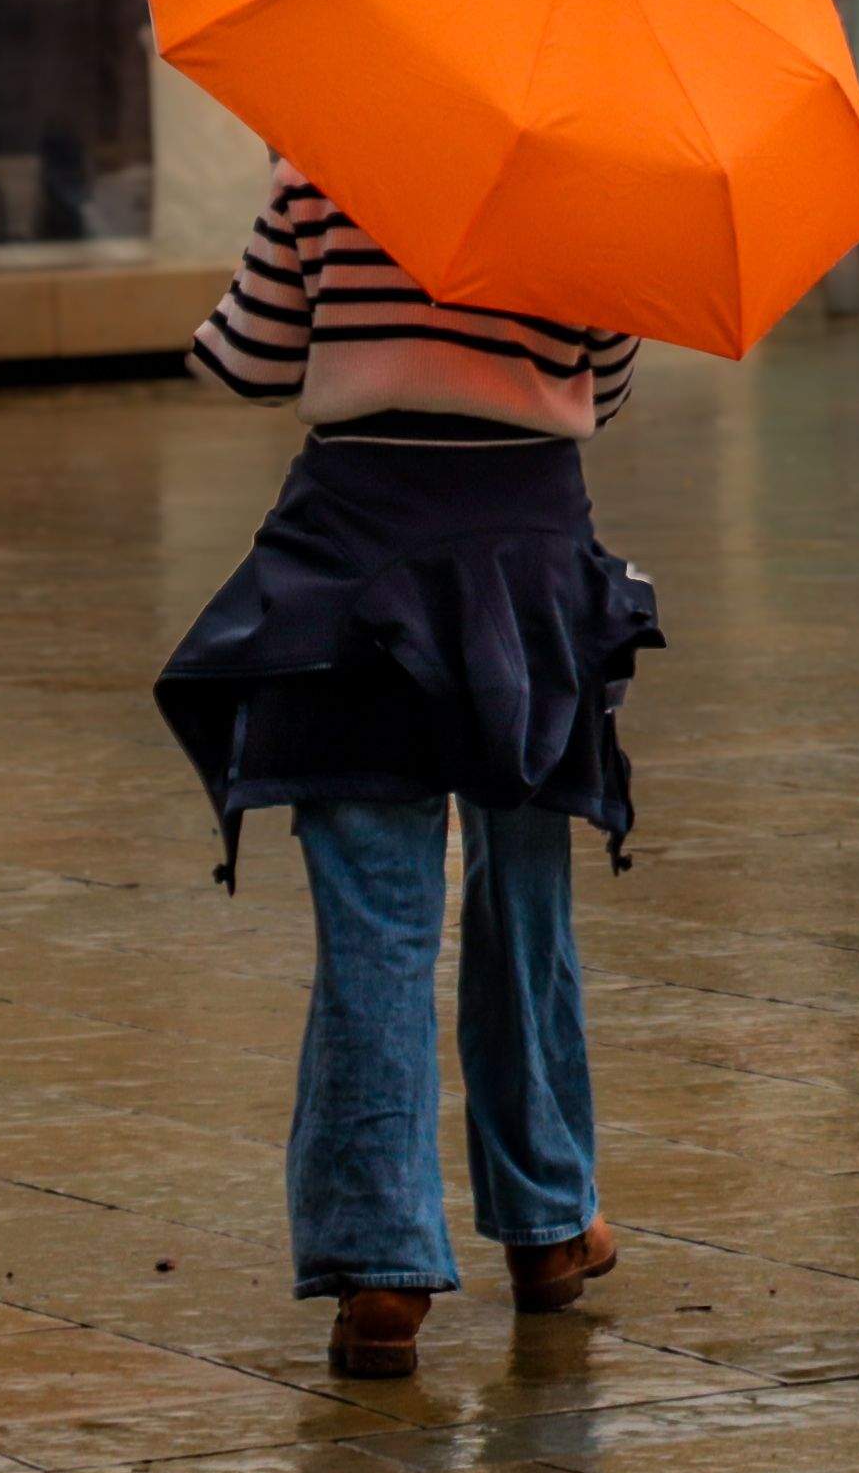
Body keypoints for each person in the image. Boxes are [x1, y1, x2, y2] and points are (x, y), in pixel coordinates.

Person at [155, 161, 658, 1380]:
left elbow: (245, 358)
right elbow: (612, 373)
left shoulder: (326, 151)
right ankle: (547, 1226)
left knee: (375, 922)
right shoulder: (589, 174)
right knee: (523, 898)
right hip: (526, 563)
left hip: (354, 560)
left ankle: (379, 1274)